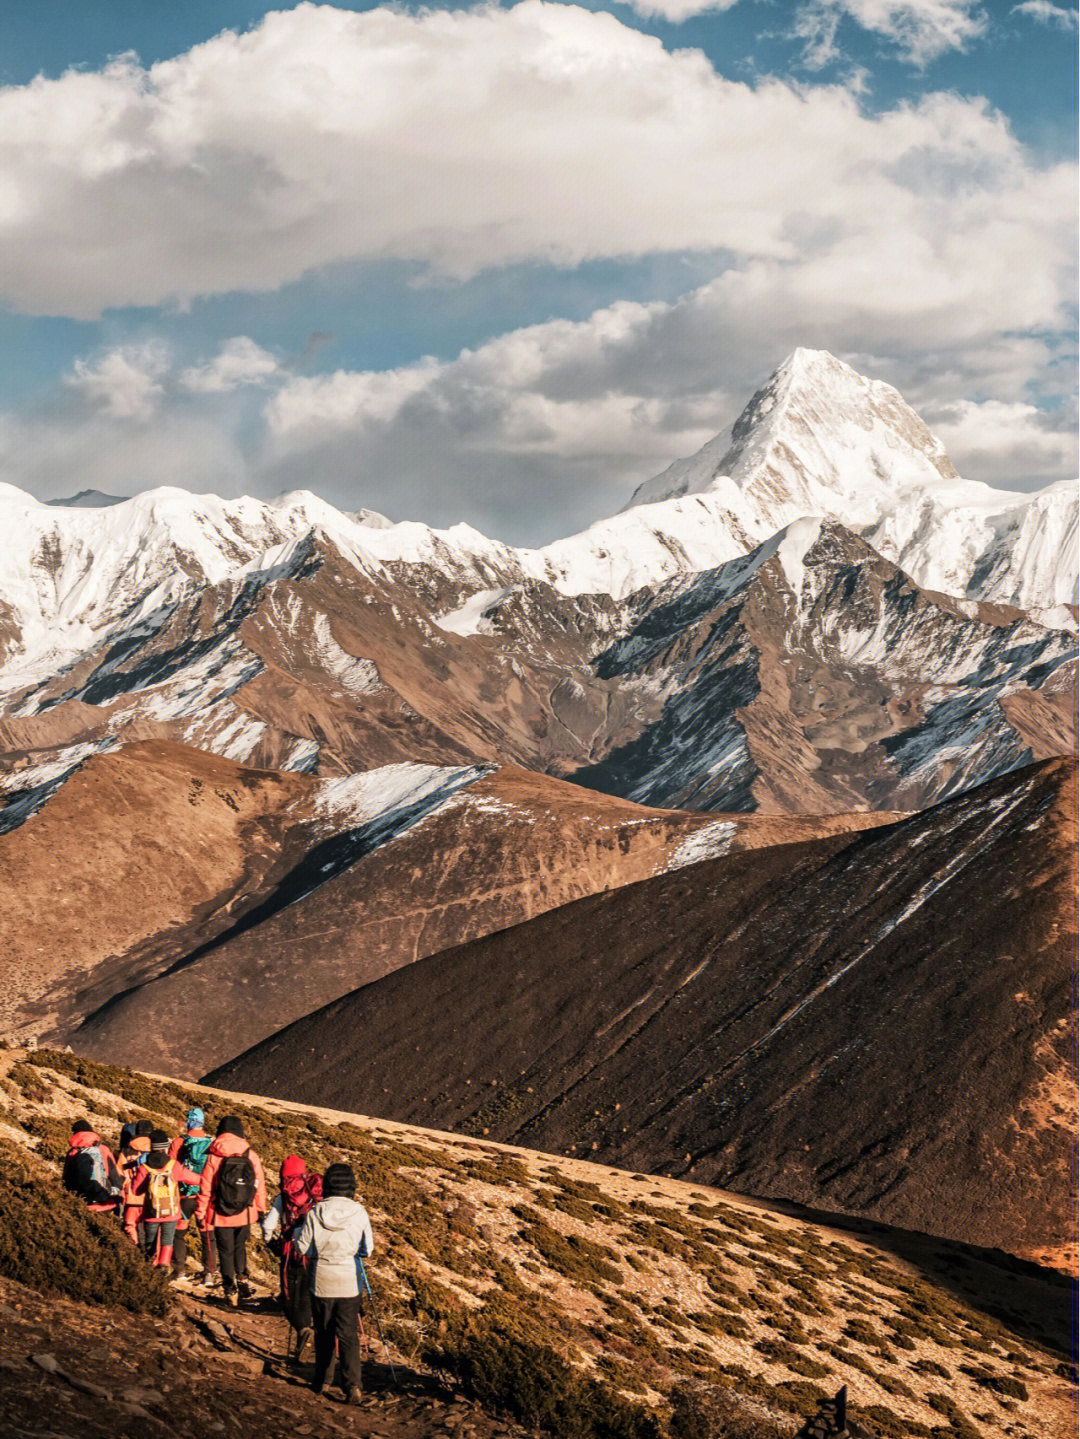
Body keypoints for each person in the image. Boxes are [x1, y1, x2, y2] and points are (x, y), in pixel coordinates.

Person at [293, 1163, 374, 1404]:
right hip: (349, 1280)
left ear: (327, 1185)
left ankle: (322, 1381)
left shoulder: (316, 1212)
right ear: (351, 1186)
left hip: (321, 1279)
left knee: (324, 1331)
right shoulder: (359, 1212)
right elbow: (367, 1249)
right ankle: (353, 1387)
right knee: (348, 1333)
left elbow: (303, 1248)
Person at [195, 1116, 266, 1308]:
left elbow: (206, 1188)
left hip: (220, 1211)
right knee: (239, 1245)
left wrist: (200, 1212)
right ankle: (242, 1279)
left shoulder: (214, 1155)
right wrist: (260, 1208)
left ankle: (230, 1289)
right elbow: (258, 1184)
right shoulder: (250, 1154)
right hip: (245, 1210)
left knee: (225, 1251)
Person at [261, 1155, 323, 1361]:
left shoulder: (282, 1197)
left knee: (288, 1297)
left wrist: (271, 1243)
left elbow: (268, 1225)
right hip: (316, 1250)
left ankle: (303, 1330)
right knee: (308, 1293)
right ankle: (313, 1338)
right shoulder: (316, 1193)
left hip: (291, 1250)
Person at [128, 1129, 202, 1270]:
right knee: (167, 1240)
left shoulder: (145, 1167)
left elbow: (136, 1190)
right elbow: (195, 1179)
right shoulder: (173, 1165)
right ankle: (164, 1265)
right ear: (165, 1147)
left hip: (151, 1212)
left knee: (150, 1241)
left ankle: (150, 1266)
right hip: (171, 1211)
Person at [169, 1107, 217, 1287]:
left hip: (184, 1194)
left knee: (179, 1232)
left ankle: (179, 1270)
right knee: (207, 1235)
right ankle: (209, 1273)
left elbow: (172, 1168)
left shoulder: (179, 1141)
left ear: (189, 1121)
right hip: (205, 1195)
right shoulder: (211, 1143)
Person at [62, 1120, 123, 1212]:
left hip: (83, 1201)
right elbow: (113, 1172)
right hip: (106, 1199)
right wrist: (118, 1192)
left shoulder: (72, 1152)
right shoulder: (104, 1148)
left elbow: (67, 1178)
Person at [118, 1119, 153, 1245]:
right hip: (151, 1197)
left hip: (132, 1196)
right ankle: (148, 1254)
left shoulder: (126, 1151)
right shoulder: (156, 1151)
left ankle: (135, 1248)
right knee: (149, 1228)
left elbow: (120, 1173)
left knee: (130, 1225)